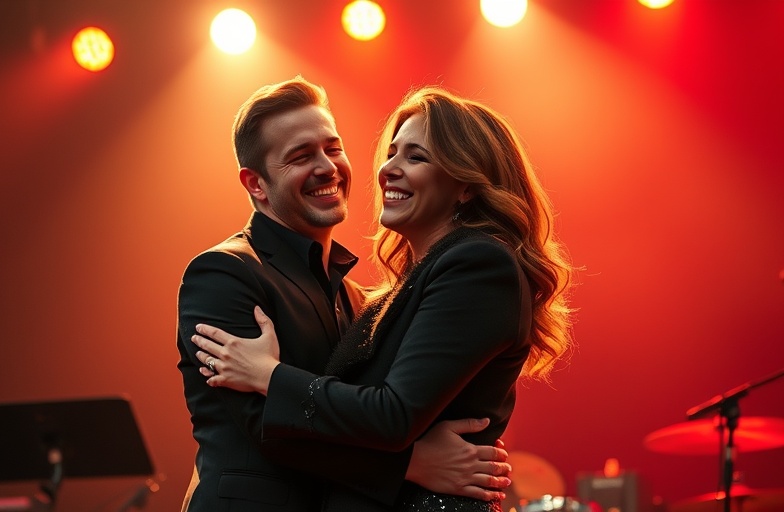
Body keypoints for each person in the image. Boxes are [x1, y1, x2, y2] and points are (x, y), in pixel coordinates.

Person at [191, 85, 576, 511]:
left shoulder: (372, 295)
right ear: (256, 185)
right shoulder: (223, 273)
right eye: (302, 156)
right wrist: (410, 464)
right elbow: (264, 424)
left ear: (466, 187)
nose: (328, 166)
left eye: (333, 148)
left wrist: (268, 373)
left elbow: (377, 414)